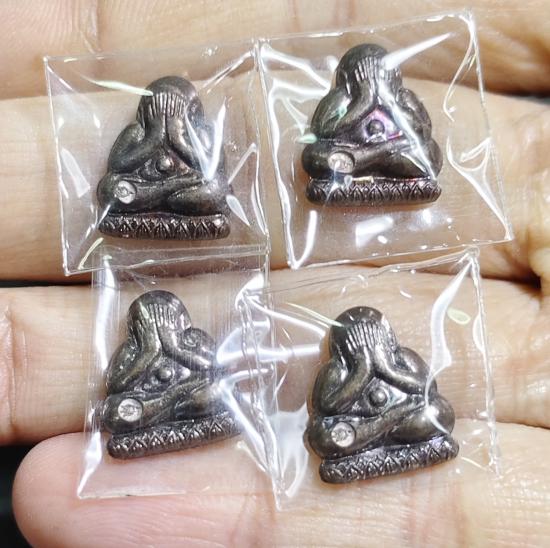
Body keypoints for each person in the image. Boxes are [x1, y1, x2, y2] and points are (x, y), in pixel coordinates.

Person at [2, 1, 550, 546]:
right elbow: (127, 174)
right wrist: (156, 155)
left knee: (426, 414)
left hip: (364, 169)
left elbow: (412, 142)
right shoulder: (138, 350)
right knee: (159, 196)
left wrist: (376, 146)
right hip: (161, 196)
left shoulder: (394, 360)